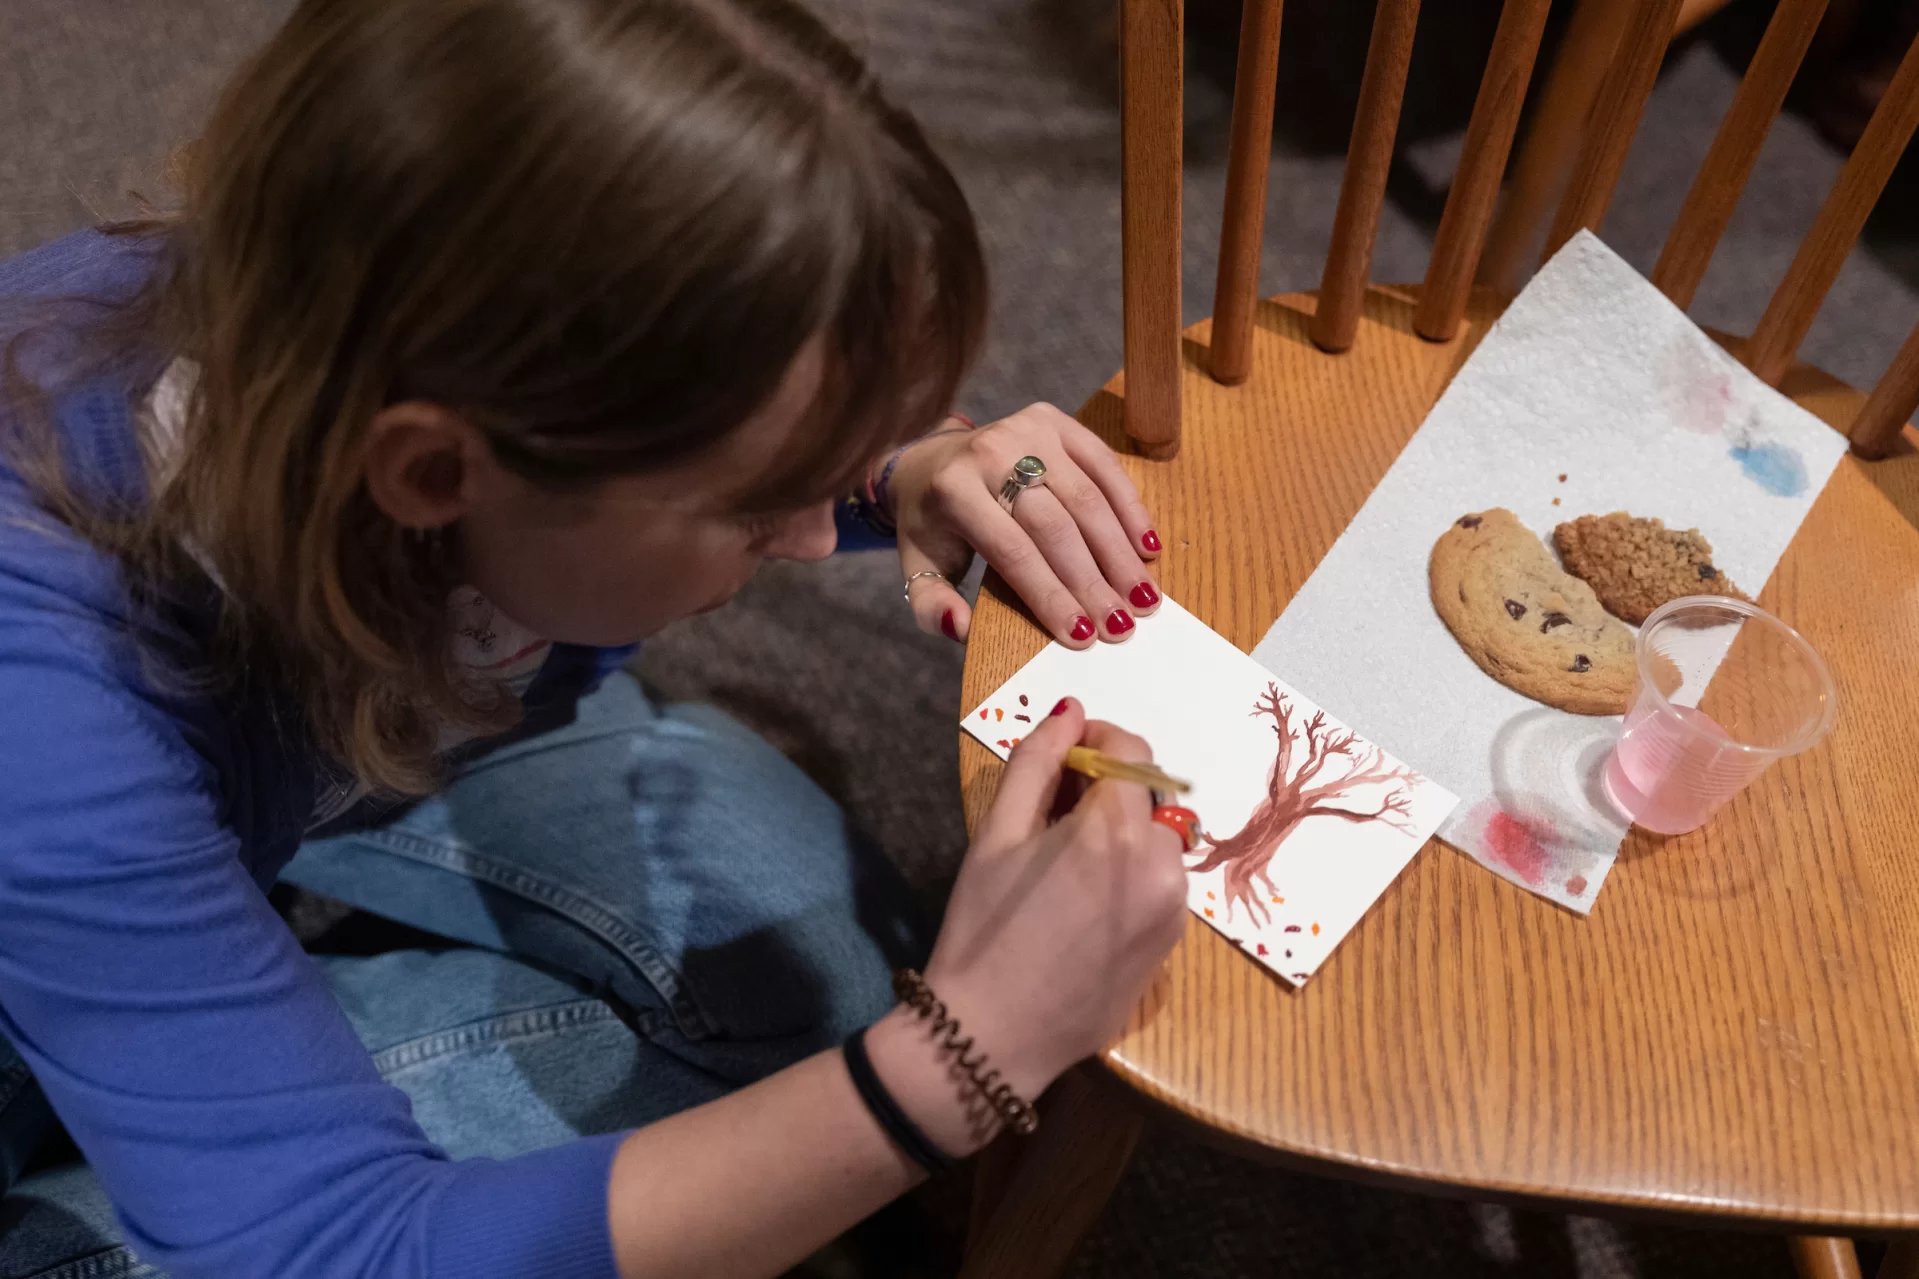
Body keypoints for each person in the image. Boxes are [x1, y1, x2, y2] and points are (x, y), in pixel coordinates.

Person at [0, 1, 1192, 1276]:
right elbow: (338, 1251)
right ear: (433, 472)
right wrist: (957, 1062)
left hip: (302, 759)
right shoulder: (55, 708)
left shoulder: (387, 312)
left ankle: (208, 1063)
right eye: (754, 502)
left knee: (829, 989)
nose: (810, 538)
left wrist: (903, 461)